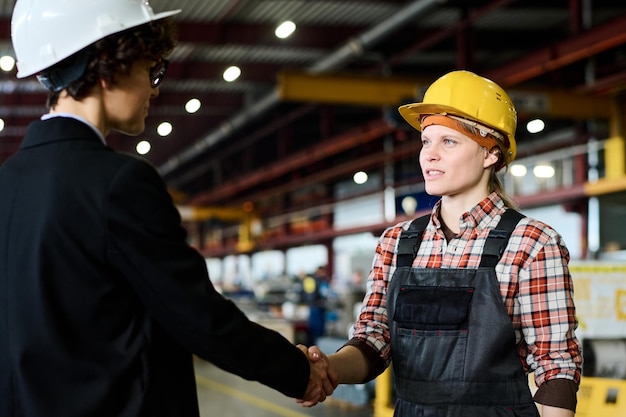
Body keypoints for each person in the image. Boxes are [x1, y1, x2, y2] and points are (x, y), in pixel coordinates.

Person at [0, 1, 336, 416]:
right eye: (150, 70)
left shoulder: (7, 182)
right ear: (110, 65)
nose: (154, 89)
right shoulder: (118, 183)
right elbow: (197, 316)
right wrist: (297, 371)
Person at [304, 70, 583, 416]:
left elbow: (556, 366)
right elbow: (374, 341)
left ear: (490, 154)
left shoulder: (532, 243)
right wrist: (326, 368)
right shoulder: (397, 243)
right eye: (426, 141)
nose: (429, 155)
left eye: (448, 142)